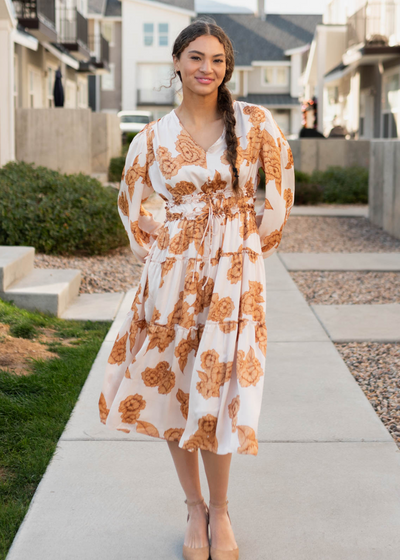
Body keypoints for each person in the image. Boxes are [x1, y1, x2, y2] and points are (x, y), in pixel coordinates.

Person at [98, 18, 295, 560]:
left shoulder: (254, 124)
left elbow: (279, 191)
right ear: (178, 63)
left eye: (217, 60)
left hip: (233, 278)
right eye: (196, 58)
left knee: (222, 388)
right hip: (172, 279)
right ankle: (194, 508)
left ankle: (222, 510)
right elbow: (131, 203)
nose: (207, 69)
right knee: (174, 387)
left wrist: (251, 246)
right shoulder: (151, 138)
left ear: (226, 68)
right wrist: (160, 240)